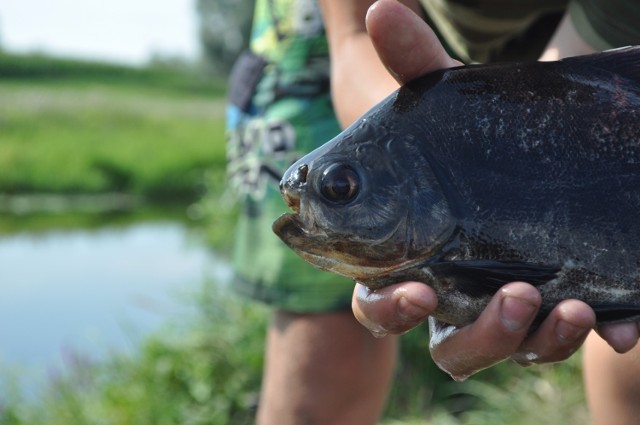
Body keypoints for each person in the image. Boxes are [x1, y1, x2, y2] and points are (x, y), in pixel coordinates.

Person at [225, 0, 640, 424]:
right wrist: (433, 118)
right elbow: (353, 37)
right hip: (356, 48)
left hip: (575, 33)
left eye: (339, 188)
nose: (330, 195)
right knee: (325, 363)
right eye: (340, 188)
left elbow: (588, 78)